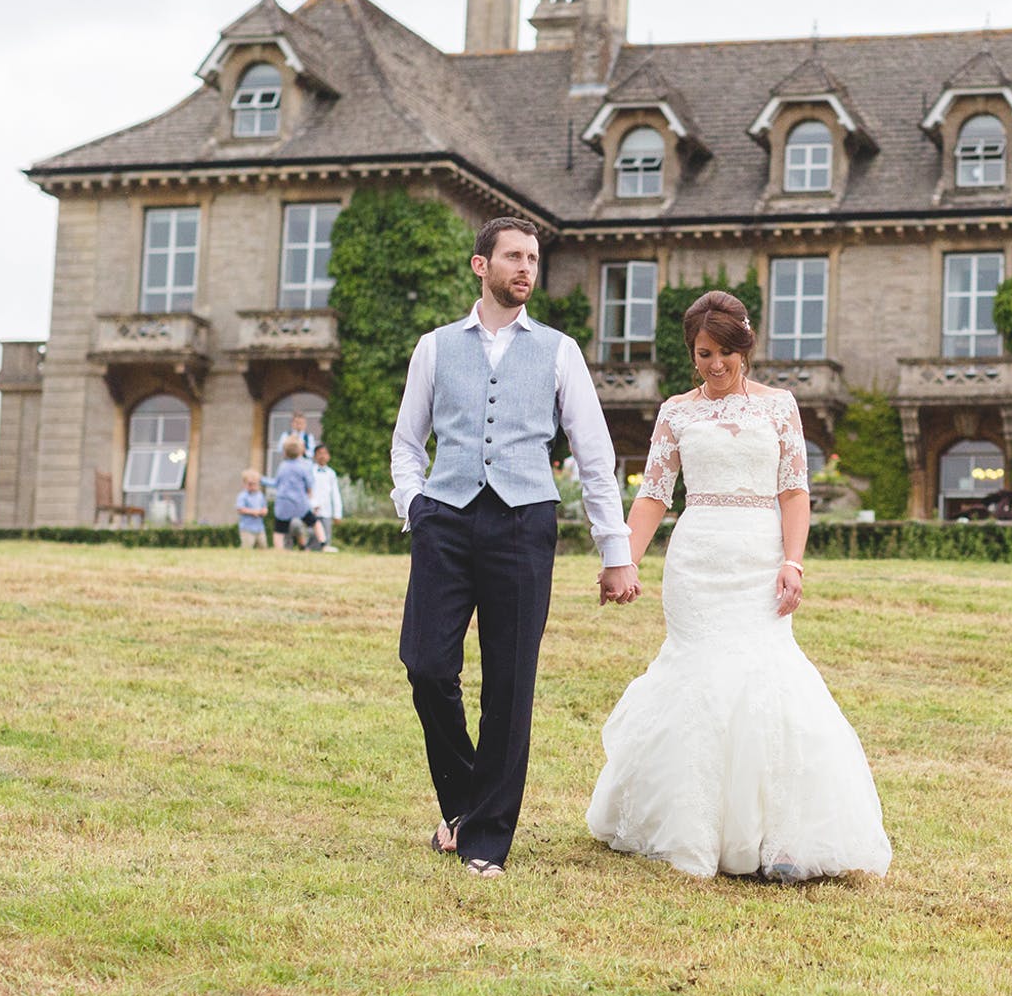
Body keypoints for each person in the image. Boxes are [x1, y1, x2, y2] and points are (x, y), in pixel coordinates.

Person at [586, 290, 891, 882]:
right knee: (698, 680)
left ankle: (779, 835)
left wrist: (793, 562)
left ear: (744, 349)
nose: (715, 365)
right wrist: (623, 560)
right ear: (691, 353)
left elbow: (794, 491)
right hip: (696, 562)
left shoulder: (780, 407)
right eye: (704, 353)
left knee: (767, 679)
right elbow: (653, 495)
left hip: (760, 559)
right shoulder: (676, 412)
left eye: (725, 353)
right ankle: (694, 829)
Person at [392, 216, 634, 880]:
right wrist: (414, 506)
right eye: (514, 257)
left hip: (524, 524)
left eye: (533, 258)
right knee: (426, 666)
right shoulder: (436, 348)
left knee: (510, 683)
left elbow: (593, 453)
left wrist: (615, 550)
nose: (526, 267)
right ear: (482, 266)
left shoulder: (559, 351)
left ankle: (484, 841)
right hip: (445, 519)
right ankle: (467, 801)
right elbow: (407, 444)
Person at [267, 436, 319, 549]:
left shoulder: (282, 467)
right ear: (301, 451)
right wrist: (311, 498)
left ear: (284, 452)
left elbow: (276, 483)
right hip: (300, 503)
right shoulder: (304, 466)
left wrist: (261, 480)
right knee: (314, 523)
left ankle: (279, 550)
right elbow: (309, 485)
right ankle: (323, 544)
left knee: (279, 530)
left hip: (284, 505)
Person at [310, 444, 343, 553]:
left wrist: (337, 513)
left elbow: (335, 494)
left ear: (329, 456)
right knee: (311, 538)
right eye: (319, 453)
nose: (322, 456)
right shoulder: (310, 471)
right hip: (312, 511)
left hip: (326, 511)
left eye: (325, 453)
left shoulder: (331, 473)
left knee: (326, 539)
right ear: (314, 456)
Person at [235, 470, 268, 548]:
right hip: (247, 528)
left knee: (263, 547)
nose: (253, 486)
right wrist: (253, 512)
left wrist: (264, 511)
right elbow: (240, 509)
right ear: (244, 484)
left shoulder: (260, 495)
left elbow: (264, 507)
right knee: (247, 547)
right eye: (250, 484)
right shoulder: (243, 496)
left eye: (255, 484)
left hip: (260, 528)